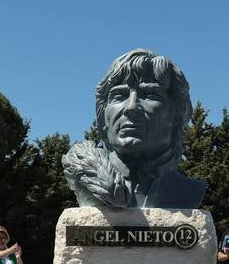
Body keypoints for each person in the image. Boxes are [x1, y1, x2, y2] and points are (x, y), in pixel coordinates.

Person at [61, 48, 204, 208]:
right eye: (119, 95)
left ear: (177, 115)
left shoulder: (189, 192)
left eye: (149, 94)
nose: (131, 107)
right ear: (103, 118)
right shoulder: (85, 176)